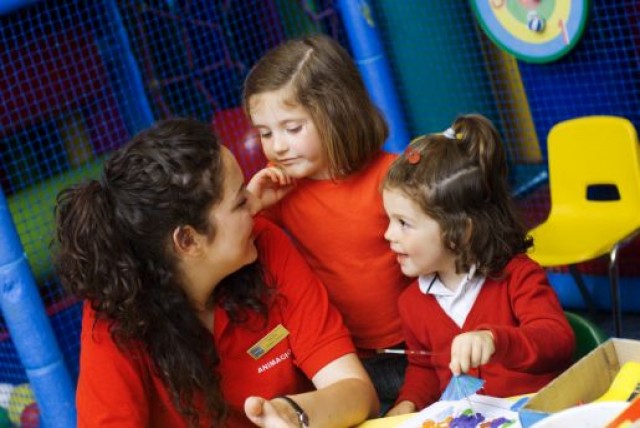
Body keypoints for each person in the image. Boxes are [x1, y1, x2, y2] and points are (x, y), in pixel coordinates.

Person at [54, 118, 378, 427]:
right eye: (240, 202)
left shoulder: (263, 243)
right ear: (187, 240)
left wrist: (292, 414)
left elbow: (359, 393)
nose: (256, 204)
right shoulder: (117, 318)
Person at [244, 34, 412, 408]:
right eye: (265, 133)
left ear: (337, 113)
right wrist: (252, 204)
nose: (278, 146)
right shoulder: (281, 188)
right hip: (345, 362)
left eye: (292, 128)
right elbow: (235, 244)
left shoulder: (391, 178)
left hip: (416, 351)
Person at [382, 114, 575, 415]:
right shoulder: (411, 303)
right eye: (389, 220)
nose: (388, 234)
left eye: (403, 223)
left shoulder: (518, 276)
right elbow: (424, 367)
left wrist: (495, 340)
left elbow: (558, 341)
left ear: (460, 232)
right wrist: (409, 403)